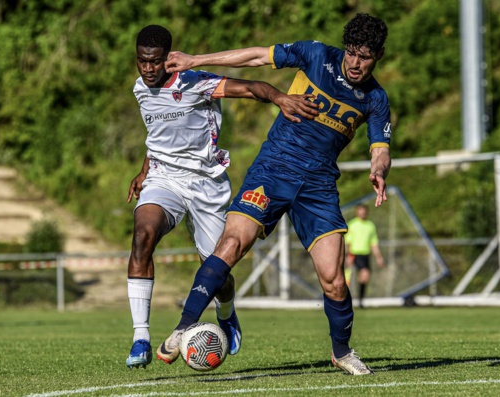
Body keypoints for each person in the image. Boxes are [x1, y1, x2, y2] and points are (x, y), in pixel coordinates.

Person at [159, 13, 392, 376]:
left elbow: (380, 148)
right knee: (231, 245)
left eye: (365, 56)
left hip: (318, 186)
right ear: (344, 48)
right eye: (352, 53)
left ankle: (342, 351)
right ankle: (183, 327)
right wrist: (195, 61)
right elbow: (256, 56)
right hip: (273, 170)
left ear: (378, 56)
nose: (356, 62)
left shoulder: (375, 98)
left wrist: (379, 170)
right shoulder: (315, 55)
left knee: (333, 279)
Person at [124, 25, 319, 370]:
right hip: (164, 179)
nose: (147, 69)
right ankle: (141, 337)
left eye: (154, 62)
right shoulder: (140, 88)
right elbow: (156, 135)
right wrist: (144, 171)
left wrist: (280, 98)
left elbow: (249, 88)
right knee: (142, 236)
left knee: (217, 273)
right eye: (142, 61)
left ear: (168, 58)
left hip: (206, 184)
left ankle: (226, 313)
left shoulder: (194, 82)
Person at [344, 204, 385, 307]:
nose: (362, 213)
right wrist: (348, 255)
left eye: (364, 211)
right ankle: (342, 301)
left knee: (364, 277)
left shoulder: (370, 225)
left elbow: (374, 243)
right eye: (360, 211)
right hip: (354, 254)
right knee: (348, 278)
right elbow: (347, 242)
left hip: (365, 254)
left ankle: (360, 300)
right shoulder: (352, 224)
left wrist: (379, 257)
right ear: (357, 212)